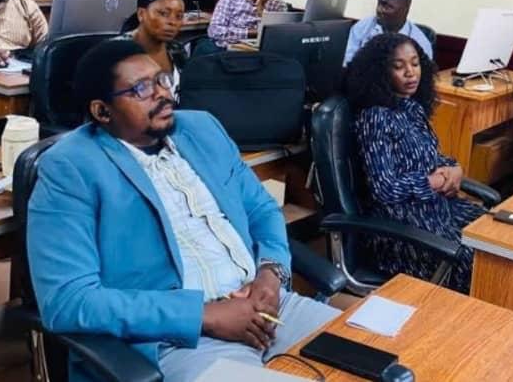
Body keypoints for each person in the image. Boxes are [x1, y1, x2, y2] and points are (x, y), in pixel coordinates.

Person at [27, 40, 340, 382]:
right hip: (181, 341)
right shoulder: (70, 167)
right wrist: (204, 315)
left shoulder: (203, 128)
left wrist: (271, 274)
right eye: (142, 89)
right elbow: (68, 301)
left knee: (379, 355)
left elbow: (262, 210)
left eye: (162, 79)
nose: (163, 94)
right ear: (103, 112)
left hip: (268, 307)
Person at [344, 33, 485, 292]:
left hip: (437, 209)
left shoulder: (412, 108)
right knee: (475, 259)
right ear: (380, 72)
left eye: (415, 63)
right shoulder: (375, 117)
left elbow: (431, 157)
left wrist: (454, 169)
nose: (410, 73)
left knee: (495, 239)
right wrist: (432, 182)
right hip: (401, 225)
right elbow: (384, 188)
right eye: (399, 66)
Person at [119, 0, 189, 96]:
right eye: (164, 14)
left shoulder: (177, 49)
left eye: (179, 16)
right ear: (141, 14)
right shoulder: (116, 52)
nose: (172, 22)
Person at [342, 0, 432, 65]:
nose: (379, 10)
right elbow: (346, 60)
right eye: (379, 3)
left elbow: (422, 75)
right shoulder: (364, 25)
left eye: (388, 6)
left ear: (405, 10)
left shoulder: (420, 43)